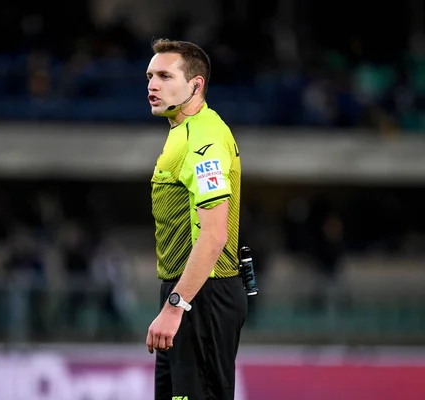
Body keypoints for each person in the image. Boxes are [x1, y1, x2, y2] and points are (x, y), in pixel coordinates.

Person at [145, 38, 247, 400]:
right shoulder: (182, 132)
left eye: (164, 76)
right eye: (150, 77)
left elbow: (214, 235)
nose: (152, 86)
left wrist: (176, 307)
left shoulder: (203, 140)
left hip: (202, 296)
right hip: (186, 294)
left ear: (195, 84)